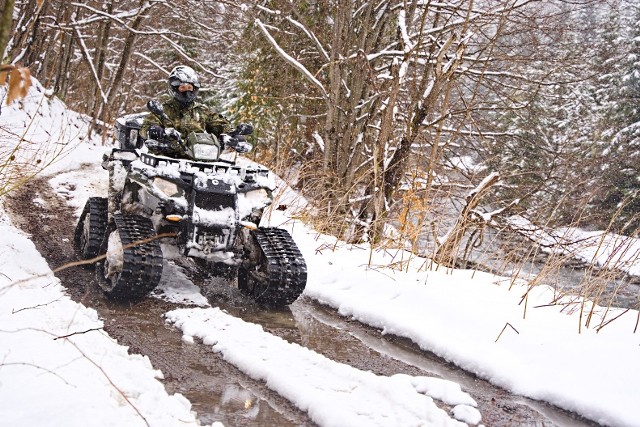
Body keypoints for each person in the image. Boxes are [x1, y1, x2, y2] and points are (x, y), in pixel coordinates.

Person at [140, 65, 249, 158]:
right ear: (174, 88)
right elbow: (145, 127)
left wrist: (233, 134)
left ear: (194, 88)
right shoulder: (163, 109)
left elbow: (219, 123)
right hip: (165, 157)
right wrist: (154, 130)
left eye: (189, 87)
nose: (187, 91)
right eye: (182, 87)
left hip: (199, 158)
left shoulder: (202, 110)